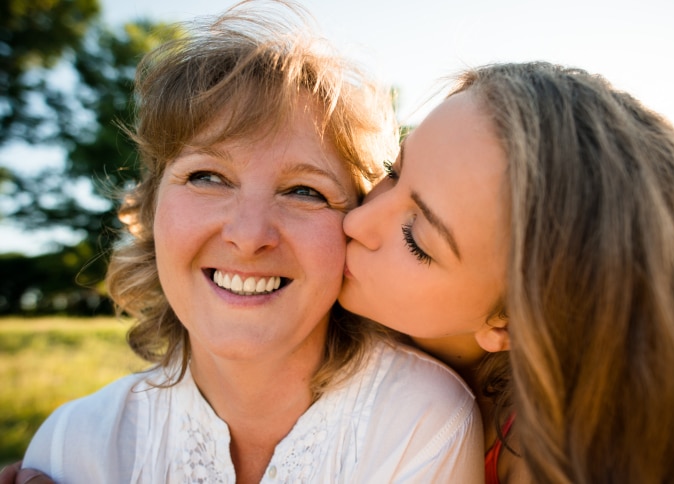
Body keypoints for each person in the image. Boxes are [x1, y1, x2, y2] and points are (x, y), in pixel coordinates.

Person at [6, 2, 484, 482]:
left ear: (355, 226)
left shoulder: (420, 420)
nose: (250, 235)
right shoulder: (74, 440)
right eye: (208, 177)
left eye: (304, 191)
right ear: (152, 209)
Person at [338, 61, 674, 482]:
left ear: (510, 323)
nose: (356, 222)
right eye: (392, 172)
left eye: (417, 239)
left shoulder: (546, 461)